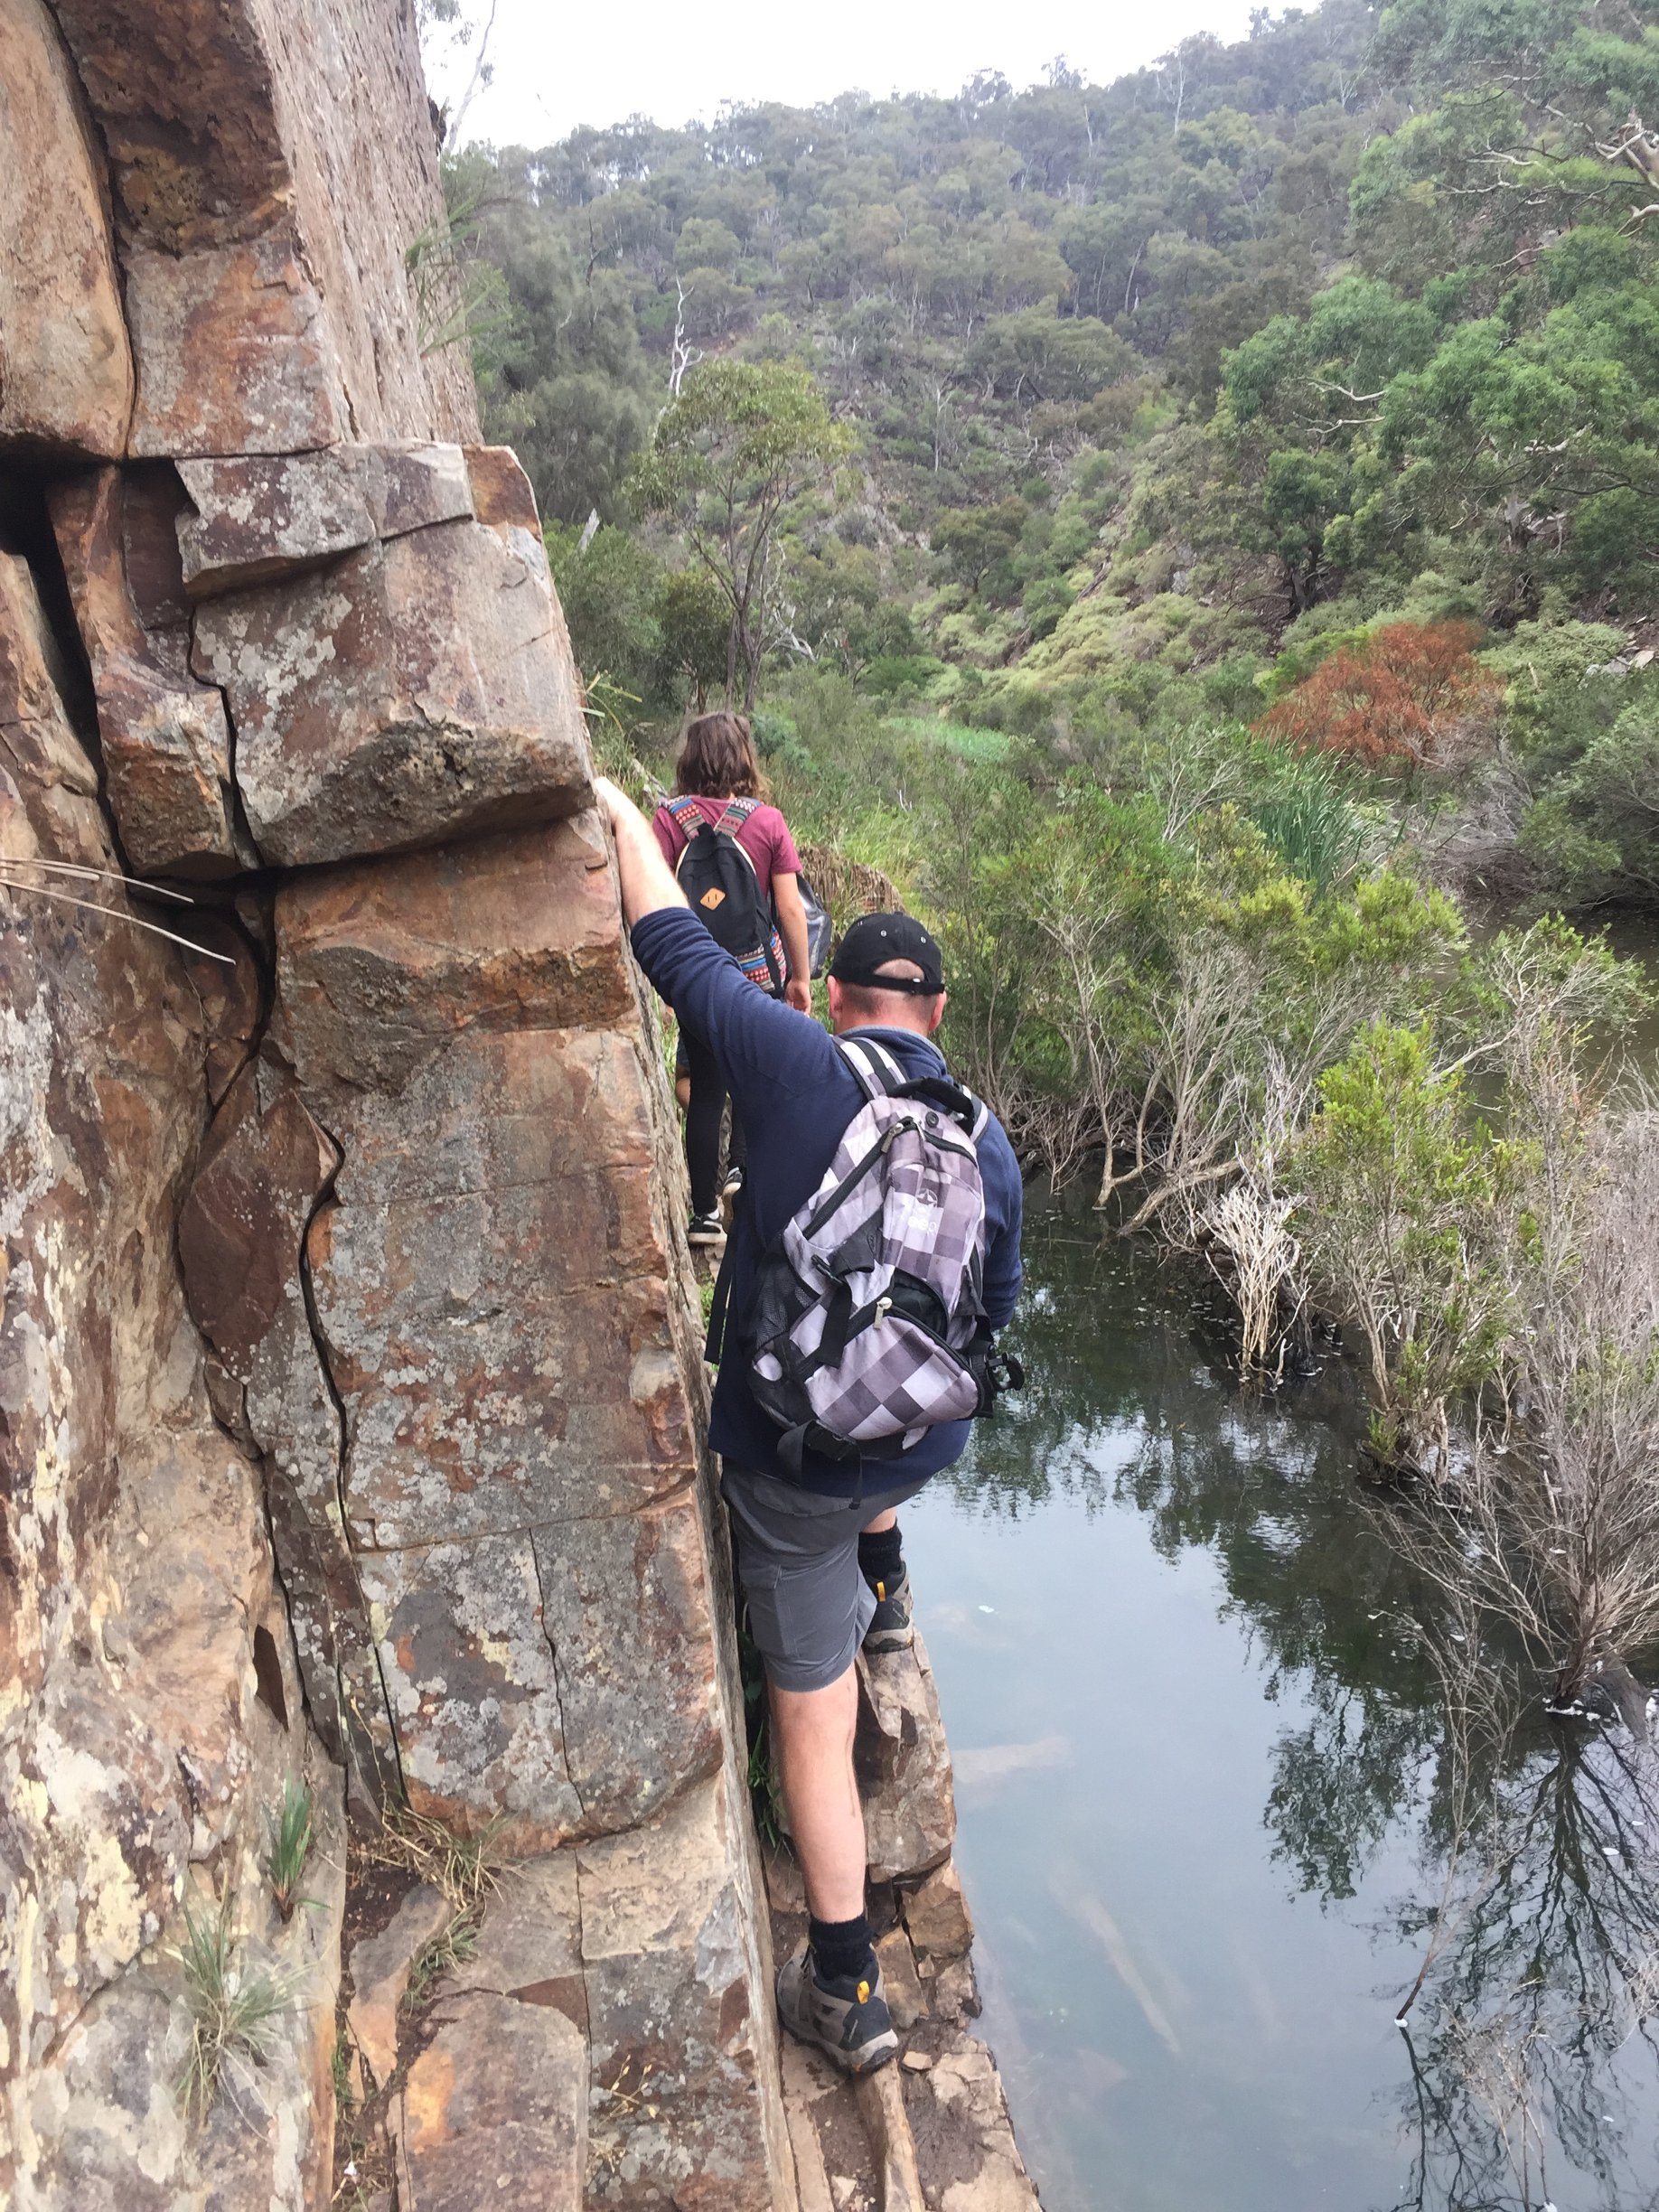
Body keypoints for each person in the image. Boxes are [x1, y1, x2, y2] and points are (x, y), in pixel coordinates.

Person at [594, 774, 1024, 2076]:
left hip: (787, 1472)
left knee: (815, 1721)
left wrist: (619, 811)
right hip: (916, 1446)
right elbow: (986, 1324)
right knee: (890, 1371)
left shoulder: (791, 1060)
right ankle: (886, 1585)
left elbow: (670, 946)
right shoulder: (988, 1141)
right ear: (939, 1014)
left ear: (835, 991)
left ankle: (844, 1987)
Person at [651, 711, 812, 1244]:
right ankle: (742, 1173)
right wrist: (800, 979)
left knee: (705, 1091)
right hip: (756, 973)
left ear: (690, 757)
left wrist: (664, 978)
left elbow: (654, 900)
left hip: (694, 972)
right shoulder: (766, 822)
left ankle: (702, 1216)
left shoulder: (669, 820)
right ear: (744, 756)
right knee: (751, 1074)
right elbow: (789, 908)